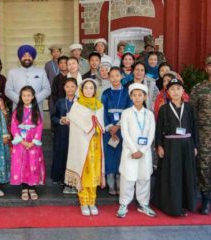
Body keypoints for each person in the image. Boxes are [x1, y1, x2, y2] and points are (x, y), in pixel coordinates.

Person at [153, 78, 199, 217]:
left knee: (186, 174)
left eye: (178, 89)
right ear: (167, 92)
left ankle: (185, 204)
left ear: (183, 91)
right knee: (172, 175)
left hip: (186, 144)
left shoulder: (190, 107)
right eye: (172, 89)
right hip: (170, 146)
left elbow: (195, 127)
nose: (175, 92)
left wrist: (195, 145)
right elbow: (158, 129)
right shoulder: (164, 109)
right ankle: (171, 206)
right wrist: (159, 145)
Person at [65, 78, 105, 216]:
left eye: (91, 88)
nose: (89, 90)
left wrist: (97, 125)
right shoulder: (77, 106)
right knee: (84, 173)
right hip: (82, 146)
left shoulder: (99, 106)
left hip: (95, 146)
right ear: (81, 90)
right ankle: (83, 201)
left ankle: (92, 201)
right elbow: (76, 128)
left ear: (95, 90)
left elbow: (101, 125)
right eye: (86, 88)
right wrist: (91, 125)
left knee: (94, 173)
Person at [116, 83, 156, 218]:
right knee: (127, 177)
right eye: (135, 95)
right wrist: (134, 150)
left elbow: (151, 134)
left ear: (145, 97)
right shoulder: (126, 113)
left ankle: (144, 204)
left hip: (144, 152)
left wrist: (142, 150)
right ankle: (123, 203)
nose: (137, 98)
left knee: (144, 177)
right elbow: (125, 133)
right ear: (131, 97)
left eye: (140, 95)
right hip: (129, 151)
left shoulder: (149, 114)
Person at [10, 86, 45, 201]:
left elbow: (39, 126)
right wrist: (21, 140)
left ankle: (32, 187)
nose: (26, 97)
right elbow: (13, 126)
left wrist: (34, 141)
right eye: (24, 95)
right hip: (21, 142)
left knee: (32, 164)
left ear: (33, 97)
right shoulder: (17, 111)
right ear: (21, 97)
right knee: (22, 164)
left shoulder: (36, 111)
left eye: (29, 95)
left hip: (32, 143)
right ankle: (24, 188)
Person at [101, 67, 132, 195]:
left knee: (121, 155)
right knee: (109, 155)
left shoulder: (127, 93)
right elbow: (102, 111)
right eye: (112, 76)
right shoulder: (105, 93)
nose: (114, 78)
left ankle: (120, 182)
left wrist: (118, 126)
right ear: (108, 77)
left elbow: (129, 110)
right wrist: (109, 127)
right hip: (108, 130)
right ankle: (110, 183)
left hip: (122, 129)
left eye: (117, 75)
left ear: (121, 77)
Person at [190, 55, 211, 215]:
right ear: (206, 68)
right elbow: (191, 112)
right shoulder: (199, 88)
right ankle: (205, 199)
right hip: (204, 135)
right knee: (203, 167)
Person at [5, 45, 51, 113]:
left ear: (33, 58)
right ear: (20, 58)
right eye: (24, 56)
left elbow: (47, 89)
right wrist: (21, 100)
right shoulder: (12, 72)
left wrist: (34, 99)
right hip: (18, 110)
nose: (27, 58)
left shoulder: (41, 72)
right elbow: (8, 91)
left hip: (36, 110)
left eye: (29, 56)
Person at [51, 78, 78, 192]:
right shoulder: (60, 101)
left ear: (76, 88)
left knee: (74, 156)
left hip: (77, 133)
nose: (70, 89)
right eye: (67, 86)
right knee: (62, 154)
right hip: (62, 131)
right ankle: (62, 179)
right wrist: (60, 121)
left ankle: (75, 180)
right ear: (64, 88)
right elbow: (53, 117)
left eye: (72, 86)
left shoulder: (81, 101)